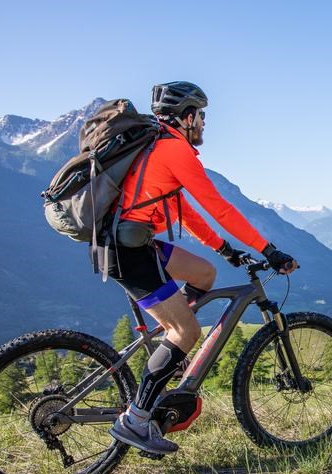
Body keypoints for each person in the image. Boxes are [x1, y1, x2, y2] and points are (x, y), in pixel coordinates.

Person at [105, 81, 298, 454]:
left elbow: (187, 212)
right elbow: (217, 207)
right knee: (188, 330)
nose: (205, 124)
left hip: (135, 242)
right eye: (202, 116)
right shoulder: (175, 150)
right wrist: (267, 249)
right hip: (129, 252)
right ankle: (137, 419)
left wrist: (224, 249)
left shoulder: (158, 147)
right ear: (188, 116)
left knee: (204, 274)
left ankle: (169, 342)